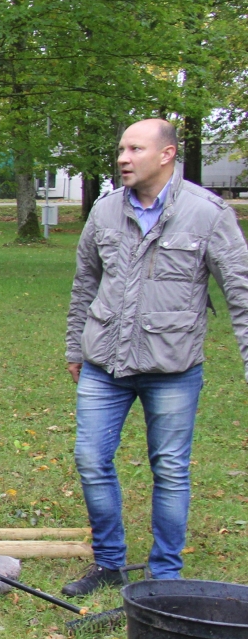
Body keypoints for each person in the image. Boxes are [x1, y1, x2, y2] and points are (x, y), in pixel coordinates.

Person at [64, 118, 248, 595]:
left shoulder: (208, 214)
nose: (123, 158)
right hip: (104, 364)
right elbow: (85, 282)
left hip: (173, 369)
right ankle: (110, 563)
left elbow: (241, 292)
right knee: (90, 459)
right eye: (121, 148)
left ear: (166, 155)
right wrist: (74, 346)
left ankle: (165, 575)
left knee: (169, 468)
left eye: (135, 149)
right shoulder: (104, 211)